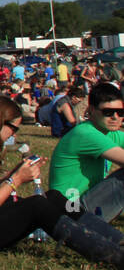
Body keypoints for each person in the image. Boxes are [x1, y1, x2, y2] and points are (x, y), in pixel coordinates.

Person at [0, 96, 124, 270]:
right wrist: (16, 180)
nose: (14, 135)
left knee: (52, 197)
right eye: (13, 128)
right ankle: (111, 256)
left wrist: (13, 173)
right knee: (37, 205)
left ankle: (116, 241)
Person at [48, 83, 124, 220]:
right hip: (69, 211)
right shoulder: (85, 133)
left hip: (83, 206)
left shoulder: (109, 133)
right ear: (92, 110)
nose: (115, 117)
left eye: (121, 112)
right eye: (108, 112)